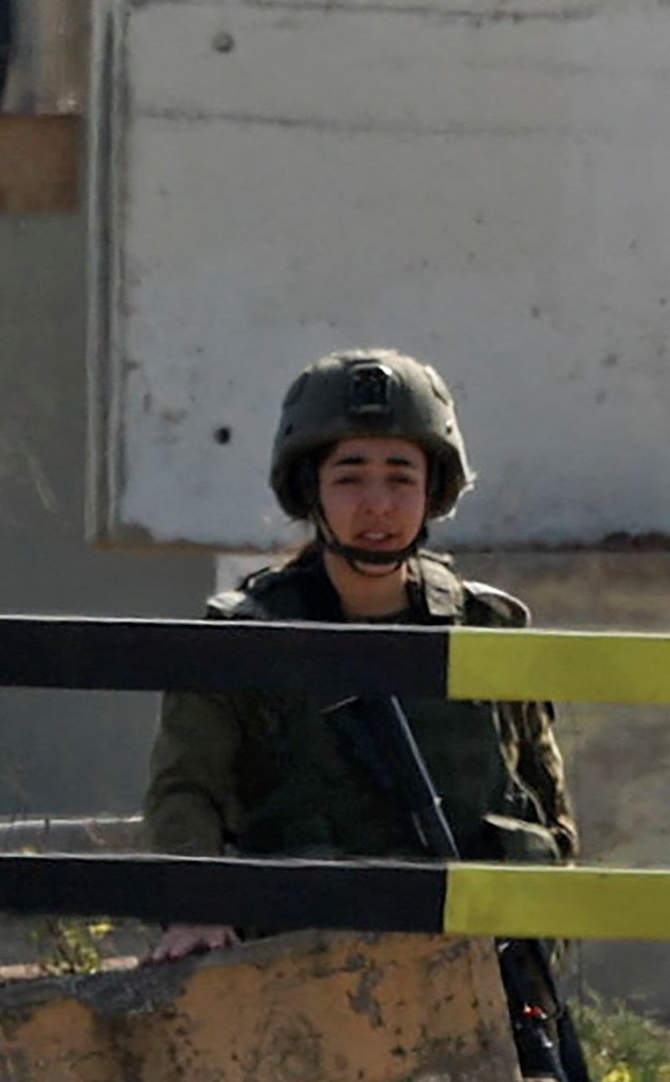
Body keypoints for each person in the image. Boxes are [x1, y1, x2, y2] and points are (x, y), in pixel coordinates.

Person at [143, 348, 576, 961]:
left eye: (401, 477)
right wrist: (196, 906)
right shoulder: (246, 637)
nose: (378, 503)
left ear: (432, 490)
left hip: (480, 962)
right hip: (307, 965)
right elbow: (186, 789)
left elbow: (546, 805)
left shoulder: (488, 628)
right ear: (311, 489)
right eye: (350, 477)